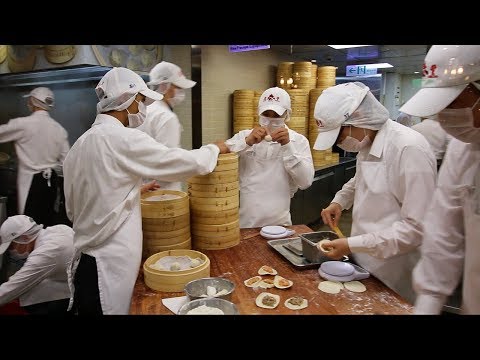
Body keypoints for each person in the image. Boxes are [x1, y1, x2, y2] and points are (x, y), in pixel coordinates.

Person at [63, 67, 229, 315]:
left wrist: (131, 192)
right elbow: (180, 163)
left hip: (86, 259)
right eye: (141, 100)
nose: (143, 108)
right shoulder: (122, 138)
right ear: (127, 100)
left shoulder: (80, 144)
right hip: (109, 266)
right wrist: (216, 149)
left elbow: (75, 206)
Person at [314, 82, 437, 304]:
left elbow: (415, 229)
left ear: (358, 117)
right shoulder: (367, 142)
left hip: (396, 266)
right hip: (365, 257)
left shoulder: (408, 148)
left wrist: (352, 244)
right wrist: (340, 201)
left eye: (339, 136)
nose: (340, 144)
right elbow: (360, 178)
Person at [399, 45, 480, 314]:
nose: (443, 116)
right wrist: (428, 302)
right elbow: (443, 232)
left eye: (452, 103)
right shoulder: (463, 147)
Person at [225, 87, 314, 228]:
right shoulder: (244, 136)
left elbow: (305, 181)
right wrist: (246, 143)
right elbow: (220, 161)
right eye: (266, 113)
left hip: (280, 223)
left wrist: (287, 146)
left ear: (287, 114)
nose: (271, 119)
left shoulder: (299, 141)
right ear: (259, 113)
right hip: (245, 222)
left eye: (276, 115)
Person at [0, 87, 70, 227]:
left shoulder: (23, 124)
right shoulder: (59, 129)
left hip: (31, 182)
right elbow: (66, 163)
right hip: (51, 183)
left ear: (32, 101)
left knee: (27, 226)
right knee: (46, 225)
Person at [138, 61, 196, 191]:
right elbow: (169, 164)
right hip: (164, 193)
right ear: (165, 86)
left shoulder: (142, 111)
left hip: (143, 190)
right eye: (178, 87)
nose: (181, 92)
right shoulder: (166, 117)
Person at [0, 215, 74, 315]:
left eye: (12, 246)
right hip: (72, 279)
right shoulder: (58, 229)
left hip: (86, 287)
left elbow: (13, 287)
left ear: (24, 238)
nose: (12, 251)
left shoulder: (45, 253)